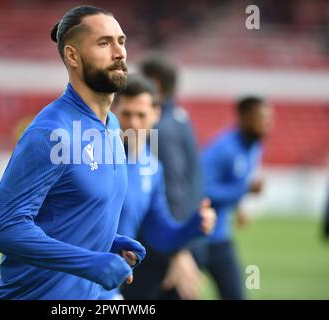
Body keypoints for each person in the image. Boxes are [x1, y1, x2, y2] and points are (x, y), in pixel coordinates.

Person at [0, 5, 146, 300]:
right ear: (72, 56)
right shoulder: (51, 133)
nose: (119, 52)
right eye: (104, 43)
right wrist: (90, 261)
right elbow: (3, 227)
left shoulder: (111, 125)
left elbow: (63, 216)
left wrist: (107, 242)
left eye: (121, 41)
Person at [99, 75, 216, 300]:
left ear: (156, 115)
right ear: (114, 113)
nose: (133, 123)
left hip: (109, 287)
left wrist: (194, 225)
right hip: (75, 285)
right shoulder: (94, 158)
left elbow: (160, 233)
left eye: (141, 115)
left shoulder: (152, 168)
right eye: (127, 114)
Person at [123, 54, 204, 300]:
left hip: (162, 251)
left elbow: (173, 190)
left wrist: (179, 251)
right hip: (173, 240)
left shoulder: (160, 132)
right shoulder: (180, 118)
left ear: (155, 86)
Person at [196, 96, 273, 299]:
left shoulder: (255, 145)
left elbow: (235, 179)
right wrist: (243, 190)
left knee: (235, 294)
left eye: (268, 119)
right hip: (196, 236)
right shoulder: (222, 148)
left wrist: (240, 207)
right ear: (244, 118)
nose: (267, 125)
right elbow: (200, 190)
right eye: (261, 118)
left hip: (220, 236)